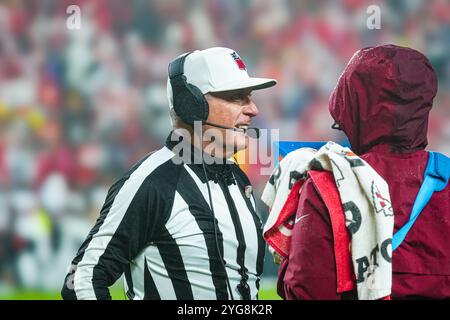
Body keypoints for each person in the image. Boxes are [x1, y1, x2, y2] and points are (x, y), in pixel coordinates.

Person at [61, 47, 276, 300]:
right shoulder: (152, 182)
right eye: (237, 97)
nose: (253, 110)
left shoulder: (238, 179)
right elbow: (82, 280)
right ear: (192, 105)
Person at [277, 44, 450, 299]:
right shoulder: (445, 179)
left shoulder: (329, 182)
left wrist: (286, 259)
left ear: (351, 105)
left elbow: (308, 289)